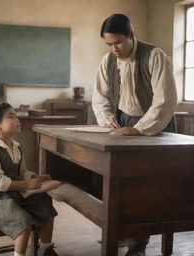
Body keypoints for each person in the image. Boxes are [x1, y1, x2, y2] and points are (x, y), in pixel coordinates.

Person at [92, 14, 177, 256]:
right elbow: (100, 96)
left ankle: (137, 247)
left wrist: (140, 128)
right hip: (123, 123)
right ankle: (117, 232)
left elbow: (166, 100)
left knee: (144, 187)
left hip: (155, 126)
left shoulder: (155, 55)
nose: (113, 48)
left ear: (131, 35)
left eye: (117, 42)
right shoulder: (108, 60)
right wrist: (108, 120)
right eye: (108, 44)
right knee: (115, 182)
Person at [0, 102, 58, 256]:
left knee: (45, 204)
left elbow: (22, 172)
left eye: (16, 115)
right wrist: (27, 183)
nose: (17, 120)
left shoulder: (16, 146)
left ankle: (45, 249)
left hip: (14, 192)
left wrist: (34, 177)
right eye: (11, 116)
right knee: (23, 222)